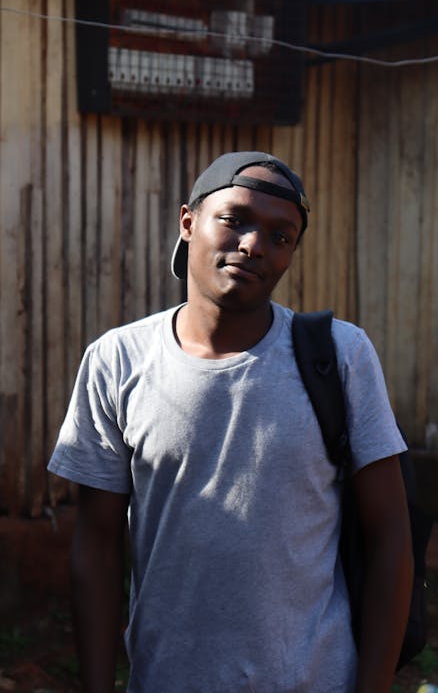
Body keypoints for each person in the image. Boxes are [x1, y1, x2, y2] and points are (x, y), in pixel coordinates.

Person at [48, 151, 413, 693]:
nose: (254, 245)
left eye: (279, 236)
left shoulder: (339, 357)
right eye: (235, 220)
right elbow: (96, 548)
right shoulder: (116, 361)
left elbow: (390, 539)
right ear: (188, 222)